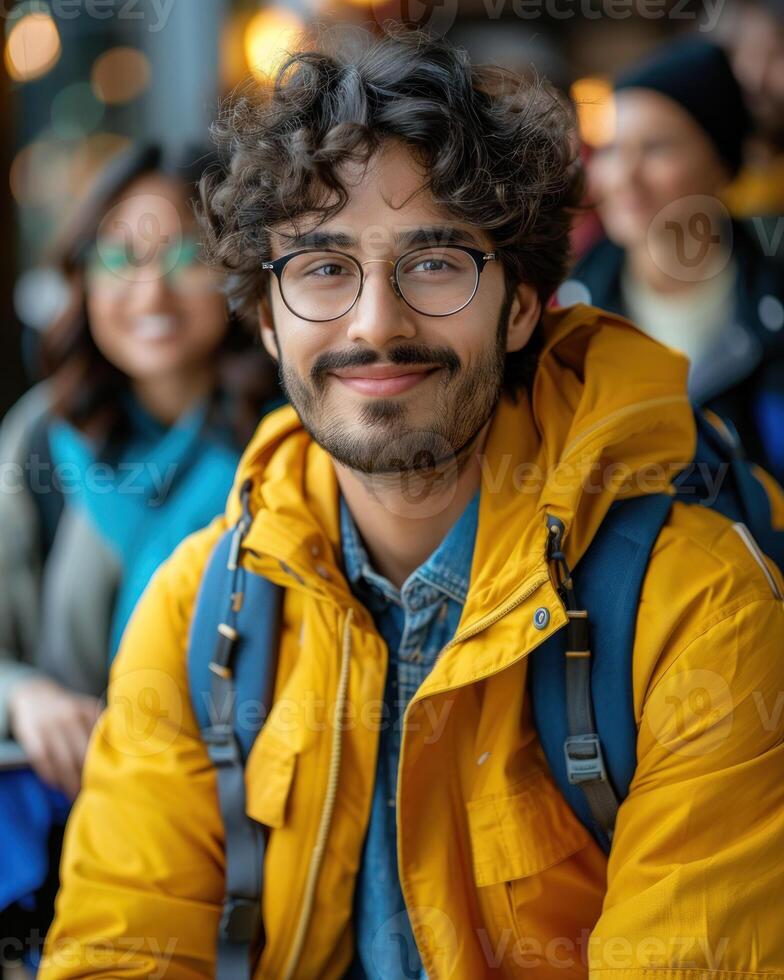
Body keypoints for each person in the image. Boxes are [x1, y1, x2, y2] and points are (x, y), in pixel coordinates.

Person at [40, 29, 784, 979]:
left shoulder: (696, 613)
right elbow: (117, 950)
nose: (376, 321)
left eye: (435, 262)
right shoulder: (200, 609)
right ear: (267, 322)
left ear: (521, 305)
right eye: (322, 267)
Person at [0, 143, 279, 967]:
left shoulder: (290, 439)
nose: (150, 289)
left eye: (186, 254)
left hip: (256, 838)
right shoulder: (42, 440)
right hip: (77, 841)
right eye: (119, 255)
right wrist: (24, 699)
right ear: (81, 275)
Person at [563, 37, 784, 482]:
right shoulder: (567, 315)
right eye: (609, 150)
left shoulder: (774, 299)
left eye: (656, 148)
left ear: (721, 165)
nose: (623, 176)